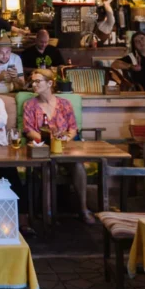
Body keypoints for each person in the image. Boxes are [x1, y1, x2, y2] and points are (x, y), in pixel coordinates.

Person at [22, 68, 93, 223]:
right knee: (48, 166)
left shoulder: (64, 104)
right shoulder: (30, 105)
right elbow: (29, 131)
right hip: (43, 148)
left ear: (50, 83)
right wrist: (50, 138)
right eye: (32, 81)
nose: (34, 84)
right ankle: (48, 211)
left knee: (78, 166)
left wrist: (65, 139)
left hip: (65, 148)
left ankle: (83, 208)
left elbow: (73, 129)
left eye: (37, 81)